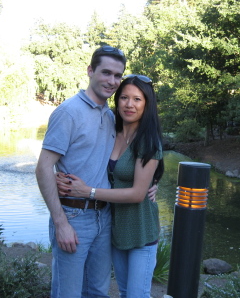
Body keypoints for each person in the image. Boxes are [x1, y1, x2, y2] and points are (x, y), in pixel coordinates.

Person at [35, 46, 157, 298]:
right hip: (74, 215)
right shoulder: (69, 112)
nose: (112, 81)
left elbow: (128, 160)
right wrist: (61, 223)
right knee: (67, 292)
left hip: (105, 218)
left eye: (117, 75)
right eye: (106, 73)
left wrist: (150, 183)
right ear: (90, 71)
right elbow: (44, 167)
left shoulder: (111, 116)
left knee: (98, 291)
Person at [56, 74, 164, 298]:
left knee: (137, 295)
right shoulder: (111, 132)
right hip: (114, 229)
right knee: (124, 292)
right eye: (124, 97)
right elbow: (86, 159)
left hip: (141, 230)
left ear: (147, 104)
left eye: (137, 99)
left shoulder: (148, 141)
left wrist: (88, 192)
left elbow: (137, 194)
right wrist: (59, 175)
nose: (129, 104)